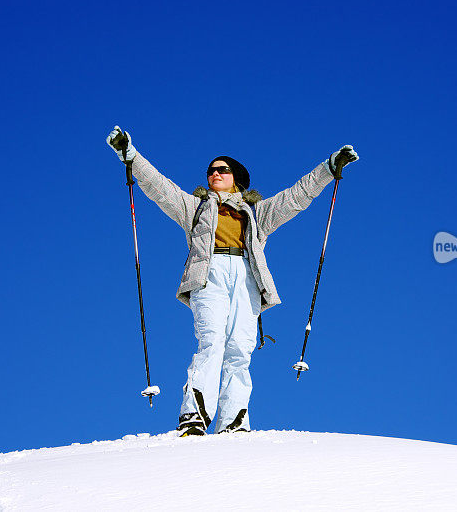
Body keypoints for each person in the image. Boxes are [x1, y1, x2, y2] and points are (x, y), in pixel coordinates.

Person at [106, 127, 358, 436]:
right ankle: (194, 416)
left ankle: (234, 422)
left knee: (240, 347)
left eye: (221, 170)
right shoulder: (195, 207)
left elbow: (297, 196)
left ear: (235, 177)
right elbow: (159, 187)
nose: (214, 174)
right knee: (211, 340)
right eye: (210, 170)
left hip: (246, 276)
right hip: (208, 273)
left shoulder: (256, 212)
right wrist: (129, 156)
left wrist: (329, 167)